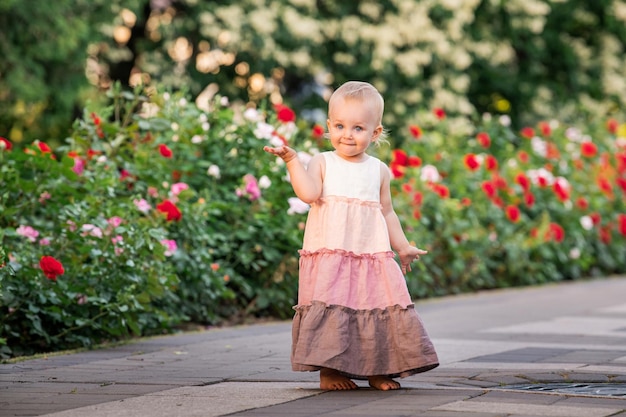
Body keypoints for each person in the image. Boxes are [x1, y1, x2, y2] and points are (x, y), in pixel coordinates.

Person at [264, 81, 439, 391]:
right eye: (340, 125)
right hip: (332, 253)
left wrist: (402, 247)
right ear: (329, 126)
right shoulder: (322, 162)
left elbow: (387, 212)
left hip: (372, 256)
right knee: (334, 308)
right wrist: (293, 162)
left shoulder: (379, 170)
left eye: (358, 128)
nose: (347, 134)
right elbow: (308, 193)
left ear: (374, 133)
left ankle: (378, 369)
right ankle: (330, 371)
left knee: (377, 306)